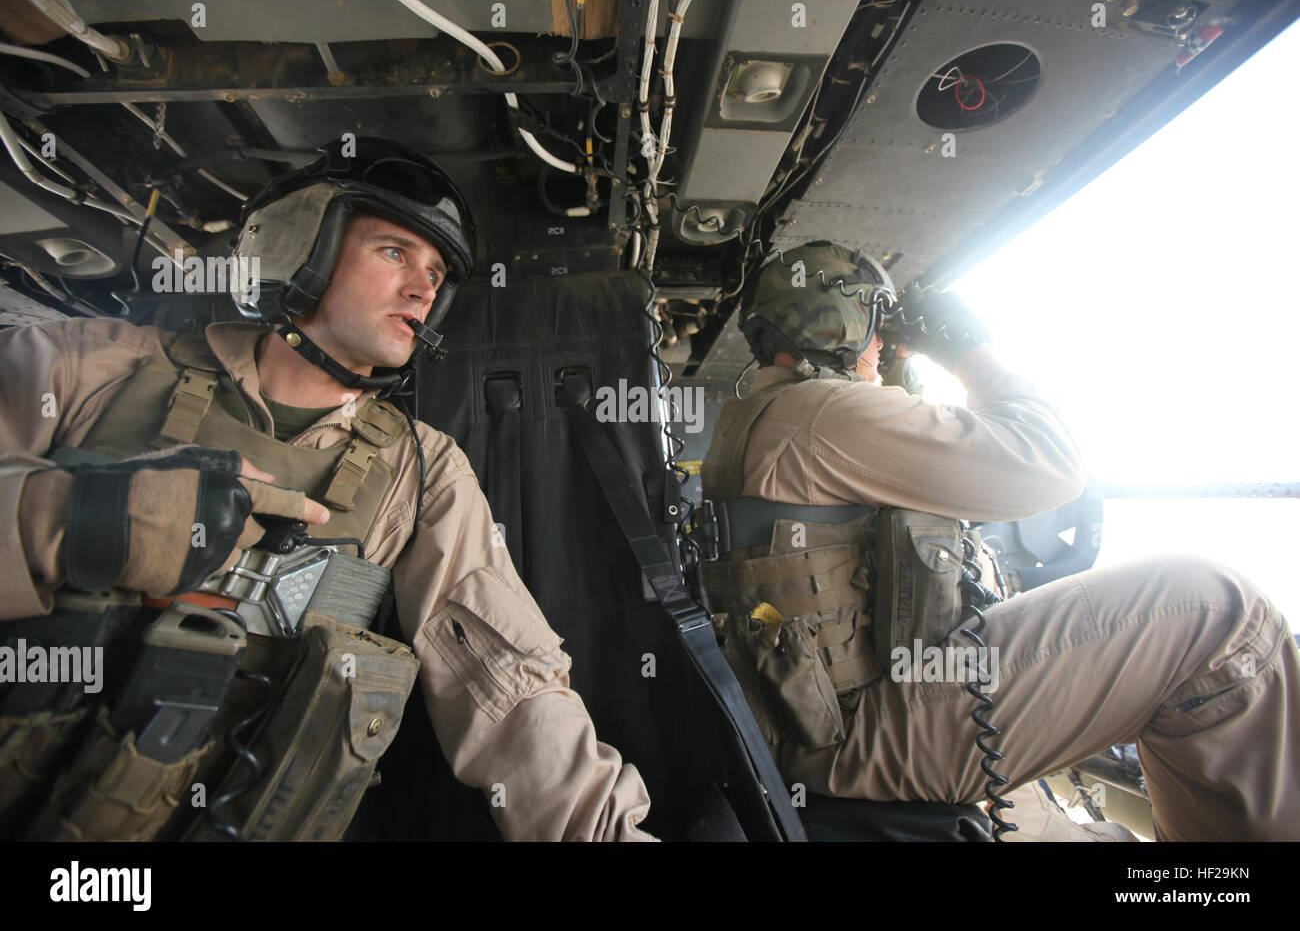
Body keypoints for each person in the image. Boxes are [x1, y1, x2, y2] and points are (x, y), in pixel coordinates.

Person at [0, 136, 653, 841]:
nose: (424, 288)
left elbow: (509, 688)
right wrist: (74, 520)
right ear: (294, 246)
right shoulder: (83, 365)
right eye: (395, 252)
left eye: (436, 272)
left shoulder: (423, 469)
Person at [697, 240, 1299, 841]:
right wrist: (968, 352)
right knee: (1216, 613)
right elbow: (1050, 467)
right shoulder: (819, 413)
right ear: (839, 322)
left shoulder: (763, 416)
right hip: (854, 740)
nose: (882, 342)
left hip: (809, 729)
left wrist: (897, 364)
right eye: (877, 321)